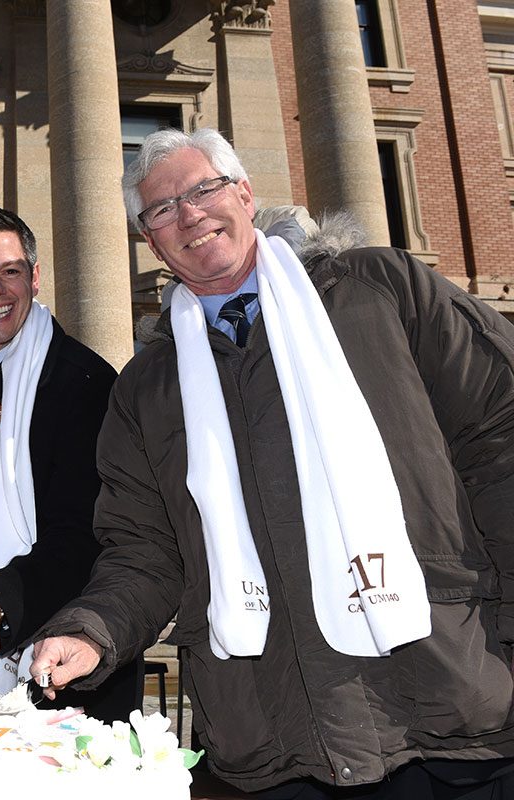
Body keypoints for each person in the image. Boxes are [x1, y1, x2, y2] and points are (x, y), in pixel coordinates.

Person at [32, 127, 514, 797]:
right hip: (272, 743)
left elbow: (500, 442)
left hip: (452, 707)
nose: (189, 214)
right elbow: (143, 551)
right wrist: (92, 633)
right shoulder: (146, 389)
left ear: (245, 193)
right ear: (151, 240)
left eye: (203, 190)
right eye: (163, 209)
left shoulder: (381, 290)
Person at [0, 207, 141, 723]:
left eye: (11, 272)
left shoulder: (84, 383)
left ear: (35, 276)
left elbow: (86, 532)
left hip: (70, 661)